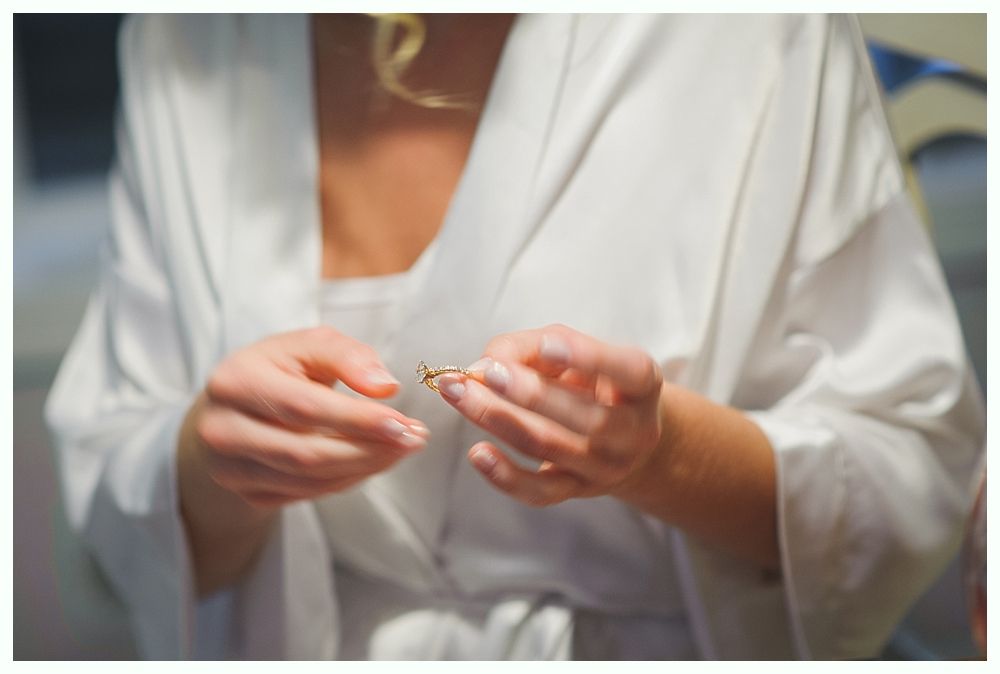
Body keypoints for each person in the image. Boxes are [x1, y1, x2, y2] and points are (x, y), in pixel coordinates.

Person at [45, 13, 984, 659]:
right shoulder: (184, 41)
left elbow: (908, 465)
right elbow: (116, 502)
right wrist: (216, 469)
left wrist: (657, 457)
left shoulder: (749, 30)